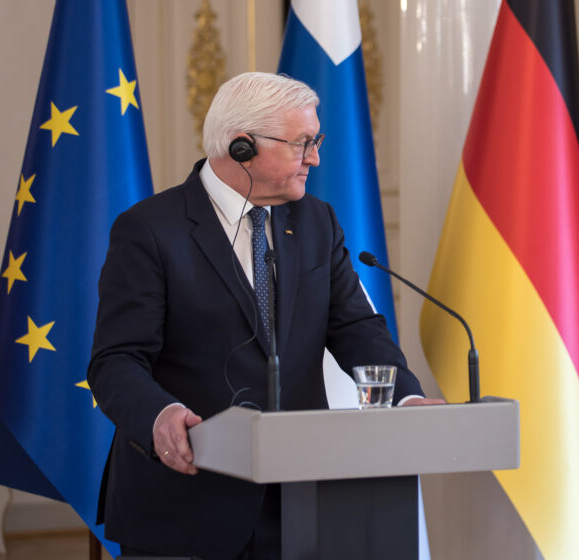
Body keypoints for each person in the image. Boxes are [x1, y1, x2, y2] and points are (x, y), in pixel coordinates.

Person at [88, 72, 443, 559]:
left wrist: (405, 400)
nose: (315, 158)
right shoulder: (149, 230)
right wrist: (160, 414)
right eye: (302, 143)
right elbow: (116, 361)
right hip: (187, 502)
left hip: (304, 502)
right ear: (241, 147)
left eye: (316, 141)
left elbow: (356, 328)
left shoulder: (317, 221)